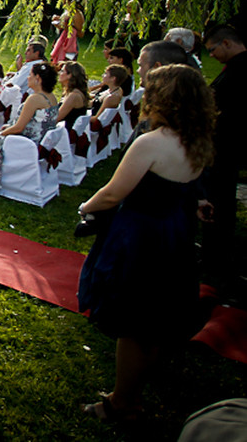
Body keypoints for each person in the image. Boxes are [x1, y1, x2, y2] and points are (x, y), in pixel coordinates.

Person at [77, 65, 216, 421]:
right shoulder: (197, 138)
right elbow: (185, 186)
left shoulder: (152, 142)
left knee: (133, 321)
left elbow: (113, 193)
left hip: (142, 236)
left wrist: (86, 206)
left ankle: (123, 401)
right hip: (175, 232)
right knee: (155, 316)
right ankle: (135, 385)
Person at [200, 24, 246, 294]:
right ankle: (214, 255)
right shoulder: (236, 68)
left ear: (227, 43)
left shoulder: (241, 71)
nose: (212, 55)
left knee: (219, 203)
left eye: (212, 50)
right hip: (223, 148)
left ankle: (216, 262)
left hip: (226, 148)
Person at [0, 62, 59, 189]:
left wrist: (0, 134)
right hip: (41, 140)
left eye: (30, 75)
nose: (28, 78)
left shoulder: (35, 99)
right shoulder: (52, 97)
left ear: (38, 79)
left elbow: (19, 127)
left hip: (26, 142)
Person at [56, 61, 91, 130]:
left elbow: (57, 118)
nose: (59, 73)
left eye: (62, 71)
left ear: (70, 75)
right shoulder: (74, 92)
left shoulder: (74, 96)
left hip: (65, 135)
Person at [50, 0, 85, 64]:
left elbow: (81, 34)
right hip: (61, 40)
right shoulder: (67, 11)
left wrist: (66, 27)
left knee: (67, 65)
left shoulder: (77, 14)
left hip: (70, 44)